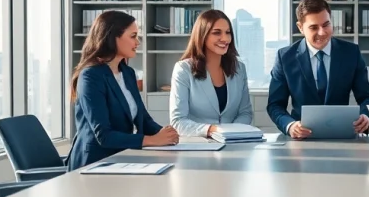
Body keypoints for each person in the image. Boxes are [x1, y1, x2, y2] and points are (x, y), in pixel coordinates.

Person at [67, 10, 178, 170]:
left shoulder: (127, 73)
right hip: (93, 164)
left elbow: (143, 120)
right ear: (113, 37)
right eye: (133, 36)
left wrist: (165, 134)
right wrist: (152, 140)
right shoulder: (90, 76)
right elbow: (104, 136)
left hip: (124, 158)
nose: (137, 42)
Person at [267, 0, 369, 138]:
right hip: (301, 138)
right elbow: (275, 105)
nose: (322, 32)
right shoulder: (285, 58)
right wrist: (290, 125)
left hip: (343, 136)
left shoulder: (351, 53)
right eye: (314, 27)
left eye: (326, 25)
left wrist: (365, 115)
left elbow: (367, 97)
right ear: (300, 27)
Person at [169, 9, 254, 137]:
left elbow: (245, 113)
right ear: (202, 35)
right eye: (216, 33)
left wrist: (231, 134)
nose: (225, 39)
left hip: (233, 142)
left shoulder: (239, 68)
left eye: (228, 32)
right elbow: (178, 121)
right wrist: (213, 130)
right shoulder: (183, 69)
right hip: (198, 143)